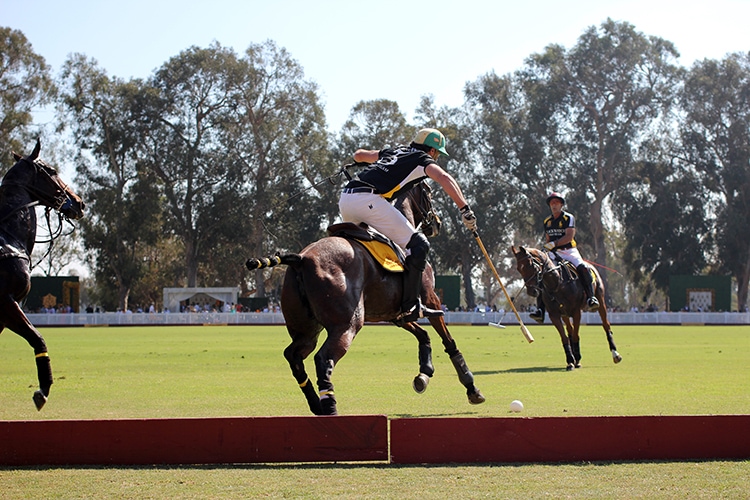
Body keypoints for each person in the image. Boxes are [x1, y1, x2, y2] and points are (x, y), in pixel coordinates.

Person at [339, 128, 477, 324]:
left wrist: (362, 161)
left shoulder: (394, 151)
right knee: (419, 244)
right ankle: (411, 304)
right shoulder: (422, 159)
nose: (436, 158)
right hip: (367, 200)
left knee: (378, 245)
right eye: (437, 154)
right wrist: (465, 209)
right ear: (431, 151)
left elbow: (359, 154)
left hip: (346, 199)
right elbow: (445, 178)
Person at [529, 192, 599, 323]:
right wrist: (548, 246)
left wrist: (554, 243)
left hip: (569, 251)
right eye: (551, 203)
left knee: (583, 267)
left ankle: (591, 298)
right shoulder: (547, 221)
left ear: (561, 204)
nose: (554, 205)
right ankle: (540, 309)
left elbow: (569, 236)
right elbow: (548, 238)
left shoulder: (568, 218)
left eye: (556, 203)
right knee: (542, 274)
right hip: (554, 253)